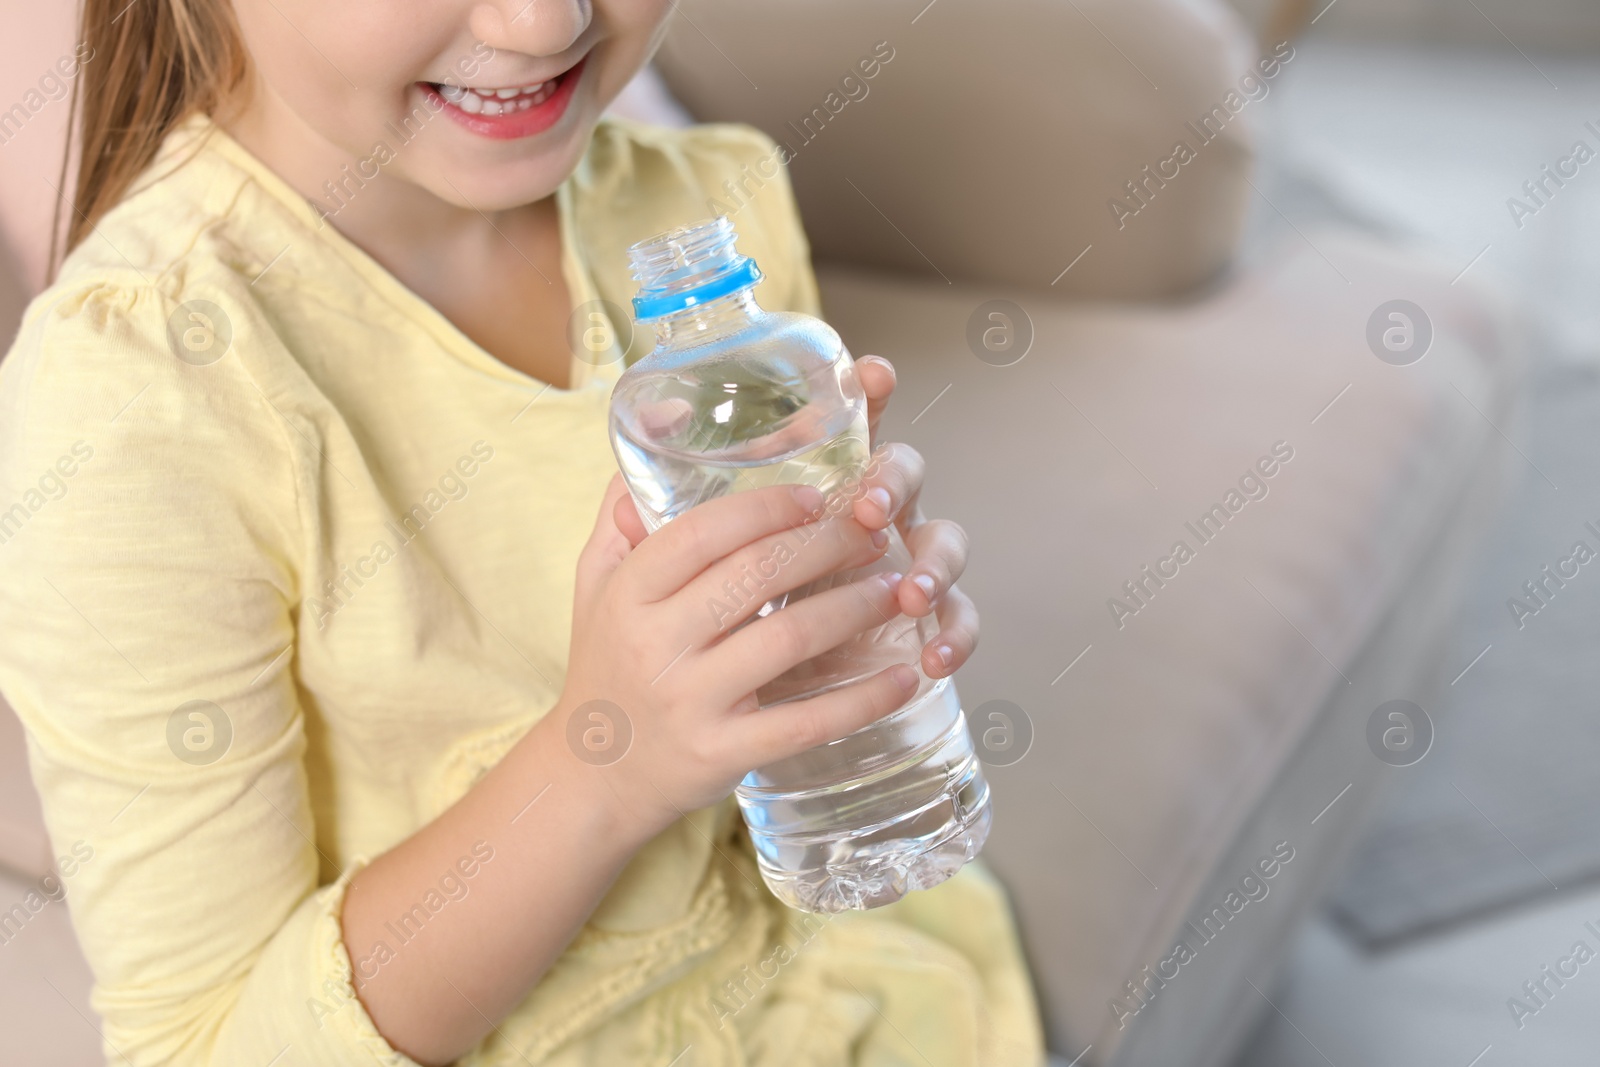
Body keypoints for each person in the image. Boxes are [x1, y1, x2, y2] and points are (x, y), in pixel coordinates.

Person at [0, 1, 1043, 1064]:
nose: (546, 21)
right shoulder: (133, 399)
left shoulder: (703, 204)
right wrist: (600, 766)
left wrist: (847, 615)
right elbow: (206, 1045)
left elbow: (792, 742)